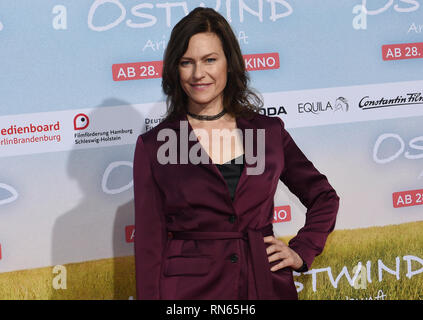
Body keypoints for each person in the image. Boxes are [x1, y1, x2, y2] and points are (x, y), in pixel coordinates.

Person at [133, 7, 339, 300]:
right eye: (186, 62)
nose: (198, 73)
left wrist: (301, 250)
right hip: (190, 293)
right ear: (174, 69)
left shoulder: (268, 132)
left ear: (229, 63)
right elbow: (148, 245)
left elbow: (324, 196)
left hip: (265, 283)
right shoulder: (155, 146)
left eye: (210, 60)